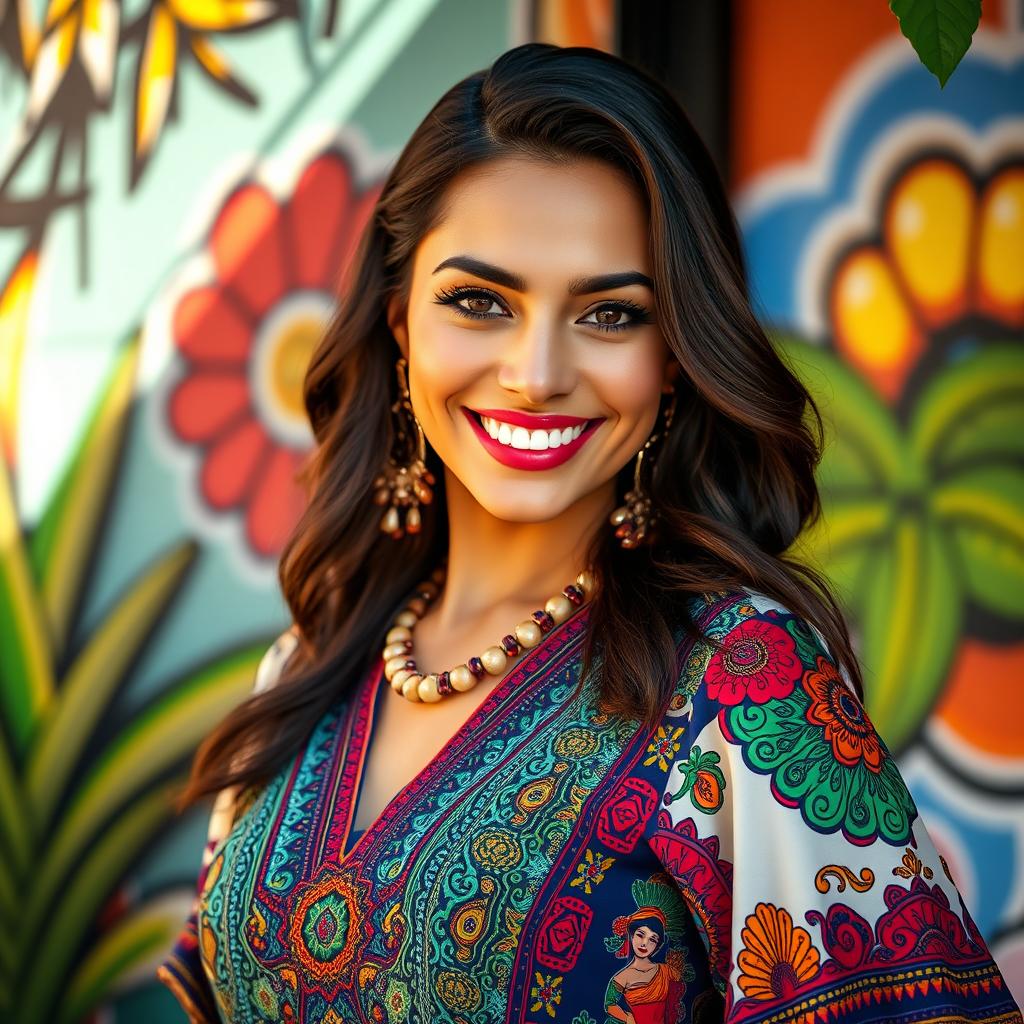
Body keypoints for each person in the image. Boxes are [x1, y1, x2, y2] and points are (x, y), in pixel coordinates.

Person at [156, 42, 1021, 1024]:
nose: (536, 370)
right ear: (400, 325)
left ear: (674, 360)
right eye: (479, 301)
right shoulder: (306, 667)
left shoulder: (744, 680)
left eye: (608, 314)